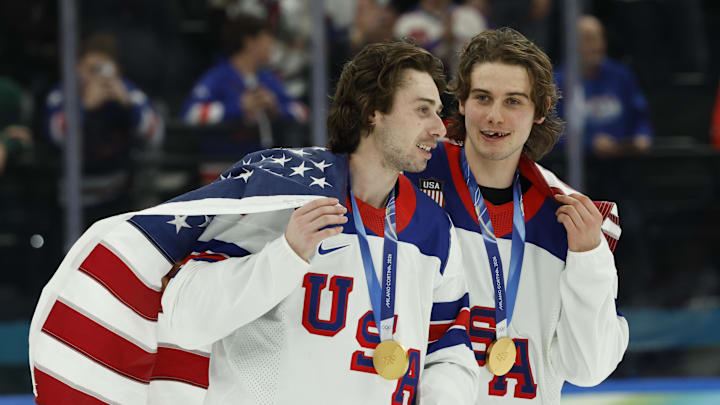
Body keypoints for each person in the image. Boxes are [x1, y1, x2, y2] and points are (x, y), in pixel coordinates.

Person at [29, 41, 479, 404]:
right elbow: (186, 316)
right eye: (422, 110)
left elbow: (450, 347)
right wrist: (285, 254)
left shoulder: (433, 230)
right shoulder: (282, 195)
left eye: (439, 113)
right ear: (371, 112)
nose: (440, 128)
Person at [405, 28, 629, 403]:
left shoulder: (570, 217)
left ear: (539, 110)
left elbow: (588, 368)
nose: (494, 116)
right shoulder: (409, 180)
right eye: (482, 98)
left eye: (513, 101)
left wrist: (589, 260)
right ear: (460, 101)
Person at [45, 33, 163, 225]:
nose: (97, 77)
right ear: (77, 68)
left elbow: (154, 134)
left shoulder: (126, 91)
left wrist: (129, 107)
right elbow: (56, 134)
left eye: (103, 68)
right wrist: (84, 107)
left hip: (118, 198)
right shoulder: (64, 92)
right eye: (91, 69)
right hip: (72, 201)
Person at [181, 13, 307, 149]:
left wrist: (276, 109)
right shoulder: (217, 77)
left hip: (263, 164)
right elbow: (191, 113)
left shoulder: (268, 79)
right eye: (267, 40)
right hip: (223, 164)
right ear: (249, 42)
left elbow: (302, 112)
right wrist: (239, 106)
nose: (272, 46)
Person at [555, 15, 653, 157]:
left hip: (621, 162)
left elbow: (639, 116)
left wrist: (642, 135)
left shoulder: (621, 75)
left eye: (599, 38)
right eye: (588, 39)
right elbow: (551, 131)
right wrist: (589, 142)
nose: (596, 45)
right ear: (572, 43)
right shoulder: (557, 81)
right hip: (579, 165)